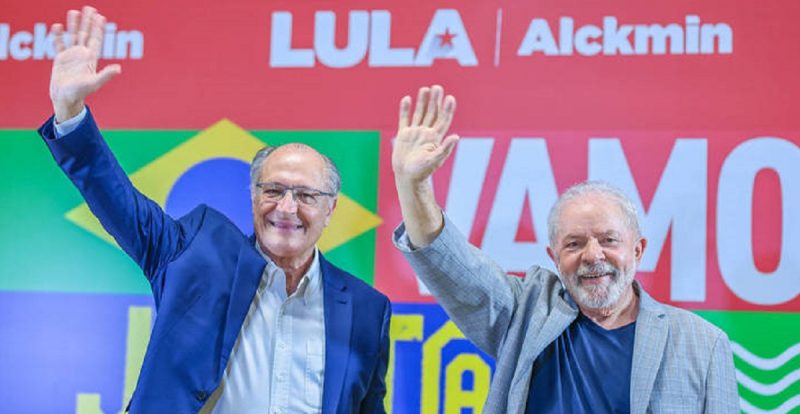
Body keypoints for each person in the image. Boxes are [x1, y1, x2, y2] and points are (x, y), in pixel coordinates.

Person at [39, 7, 390, 413]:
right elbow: (119, 202)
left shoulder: (367, 309)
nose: (287, 207)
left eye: (306, 195)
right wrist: (71, 115)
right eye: (273, 190)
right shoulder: (197, 254)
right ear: (254, 196)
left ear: (330, 208)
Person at [391, 85, 739, 413]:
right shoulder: (526, 313)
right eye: (574, 244)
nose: (592, 255)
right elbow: (452, 265)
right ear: (554, 256)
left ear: (638, 250)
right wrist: (414, 186)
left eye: (608, 240)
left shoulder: (702, 344)